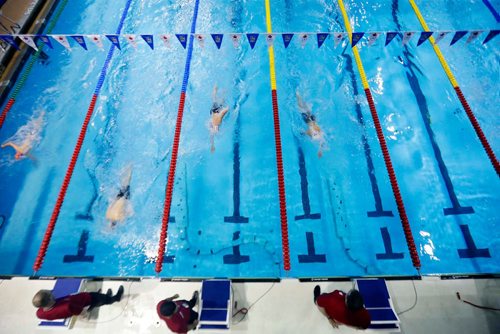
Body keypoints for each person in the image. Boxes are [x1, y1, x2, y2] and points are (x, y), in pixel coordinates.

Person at [33, 285, 124, 320]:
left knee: (99, 297)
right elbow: (81, 312)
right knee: (101, 299)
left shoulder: (40, 313)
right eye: (51, 294)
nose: (52, 293)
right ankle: (115, 298)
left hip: (79, 300)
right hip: (88, 299)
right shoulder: (67, 306)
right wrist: (85, 312)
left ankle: (104, 297)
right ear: (49, 299)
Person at [296, 91, 325, 158]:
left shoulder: (317, 133)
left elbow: (321, 141)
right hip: (308, 120)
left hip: (312, 118)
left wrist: (320, 150)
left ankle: (299, 94)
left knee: (305, 108)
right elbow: (321, 141)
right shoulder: (316, 133)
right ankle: (298, 94)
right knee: (301, 106)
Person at [209, 84, 230, 153]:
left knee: (221, 100)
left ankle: (223, 91)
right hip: (212, 111)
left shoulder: (218, 122)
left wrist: (227, 109)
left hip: (217, 110)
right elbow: (211, 136)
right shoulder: (211, 125)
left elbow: (223, 112)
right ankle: (215, 88)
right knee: (214, 99)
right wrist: (212, 146)